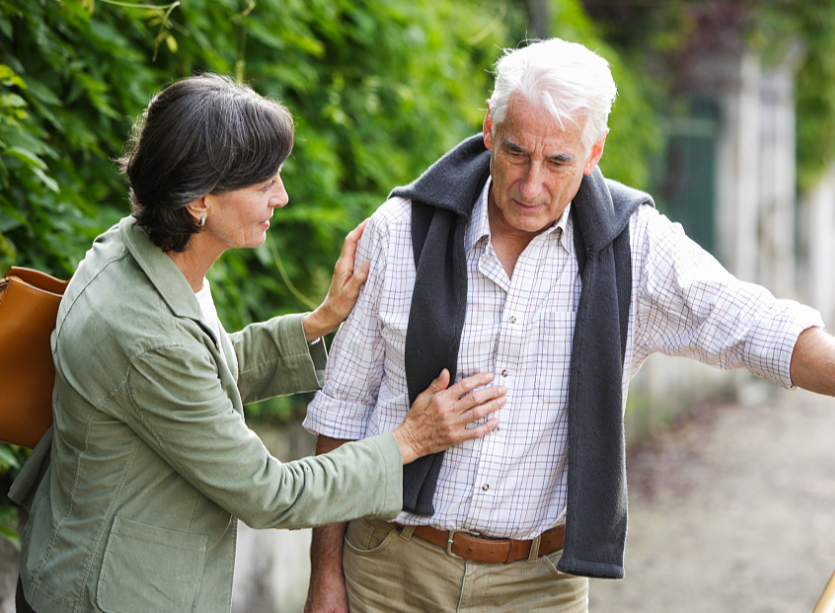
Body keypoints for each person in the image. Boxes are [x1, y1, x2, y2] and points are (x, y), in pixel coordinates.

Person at [302, 39, 835, 612]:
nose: (530, 183)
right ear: (489, 129)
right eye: (514, 151)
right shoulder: (401, 234)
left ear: (595, 152)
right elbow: (341, 409)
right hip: (388, 569)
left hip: (536, 587)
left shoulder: (634, 249)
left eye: (558, 161)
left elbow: (760, 325)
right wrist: (325, 577)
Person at [7, 74, 506, 613]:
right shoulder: (148, 334)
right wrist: (407, 441)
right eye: (263, 182)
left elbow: (200, 374)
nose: (283, 196)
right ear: (199, 200)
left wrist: (317, 323)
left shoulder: (130, 251)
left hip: (70, 558)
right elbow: (272, 493)